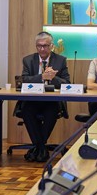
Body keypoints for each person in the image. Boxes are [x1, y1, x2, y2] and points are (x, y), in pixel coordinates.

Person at [20, 31, 70, 162]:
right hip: (32, 100)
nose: (42, 49)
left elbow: (68, 84)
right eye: (39, 46)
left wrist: (54, 78)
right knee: (26, 110)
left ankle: (37, 148)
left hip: (51, 101)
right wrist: (41, 77)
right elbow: (23, 80)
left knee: (52, 111)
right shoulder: (28, 60)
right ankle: (41, 148)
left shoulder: (61, 60)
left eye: (45, 46)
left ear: (51, 46)